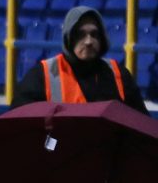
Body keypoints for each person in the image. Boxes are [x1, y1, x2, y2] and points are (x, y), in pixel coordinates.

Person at [12, 6, 147, 113]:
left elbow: (140, 123)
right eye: (80, 35)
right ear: (68, 38)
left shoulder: (119, 74)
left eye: (94, 34)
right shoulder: (42, 75)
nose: (88, 41)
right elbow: (18, 121)